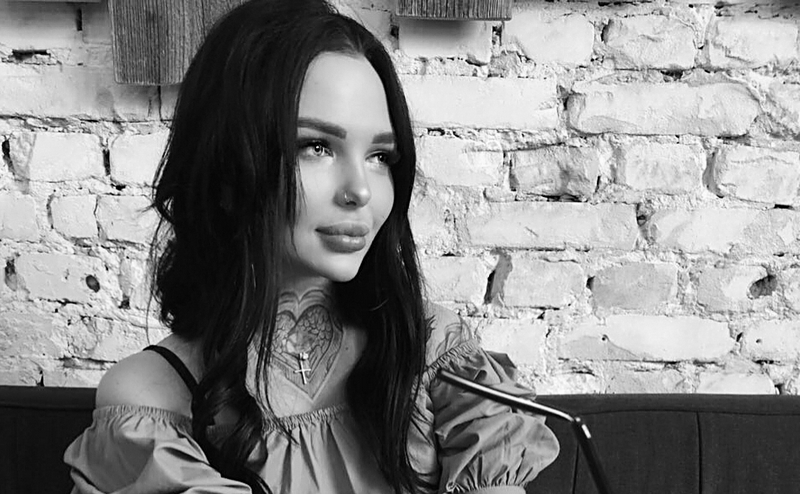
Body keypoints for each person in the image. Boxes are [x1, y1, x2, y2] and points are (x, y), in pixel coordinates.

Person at [63, 0, 559, 492]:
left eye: (380, 156)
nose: (360, 190)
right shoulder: (153, 399)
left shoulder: (432, 351)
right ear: (229, 163)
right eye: (316, 147)